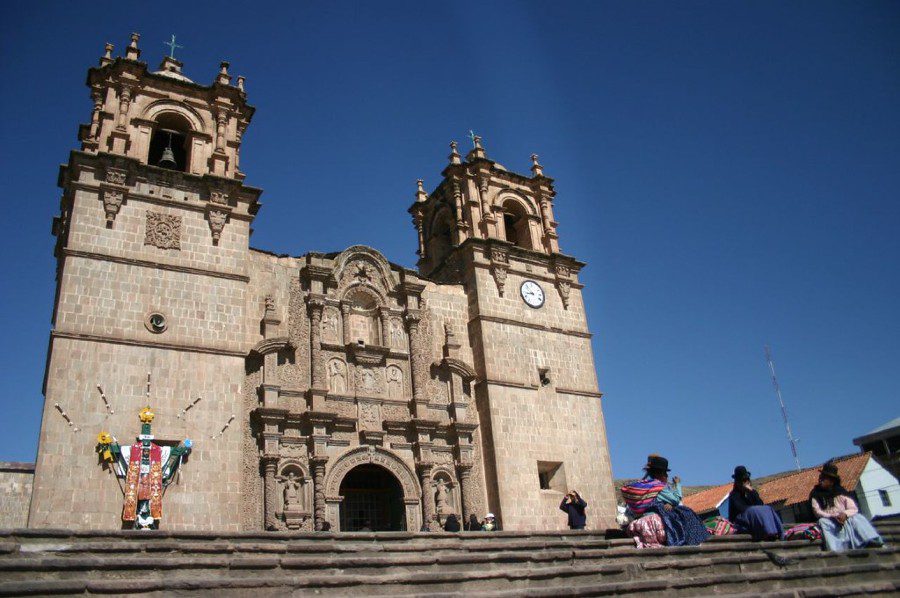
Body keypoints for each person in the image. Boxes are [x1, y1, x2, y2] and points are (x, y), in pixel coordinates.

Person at [622, 454, 707, 548]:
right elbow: (676, 499)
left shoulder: (644, 486)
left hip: (640, 525)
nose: (667, 475)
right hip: (655, 524)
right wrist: (678, 484)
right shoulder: (659, 487)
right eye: (665, 473)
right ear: (660, 473)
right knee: (686, 513)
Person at [810, 462, 883, 552]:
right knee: (822, 522)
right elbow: (817, 511)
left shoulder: (841, 492)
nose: (821, 480)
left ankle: (871, 540)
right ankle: (835, 550)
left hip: (845, 519)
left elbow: (853, 508)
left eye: (824, 478)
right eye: (821, 477)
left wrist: (844, 514)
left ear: (832, 481)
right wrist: (833, 516)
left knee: (858, 518)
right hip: (829, 520)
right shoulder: (815, 493)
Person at [727, 465, 783, 541]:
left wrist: (752, 491)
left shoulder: (751, 493)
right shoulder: (734, 495)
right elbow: (741, 508)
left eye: (746, 480)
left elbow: (760, 505)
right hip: (740, 522)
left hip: (754, 518)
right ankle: (766, 533)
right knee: (753, 510)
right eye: (742, 481)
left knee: (767, 508)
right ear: (737, 482)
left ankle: (776, 533)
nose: (745, 482)